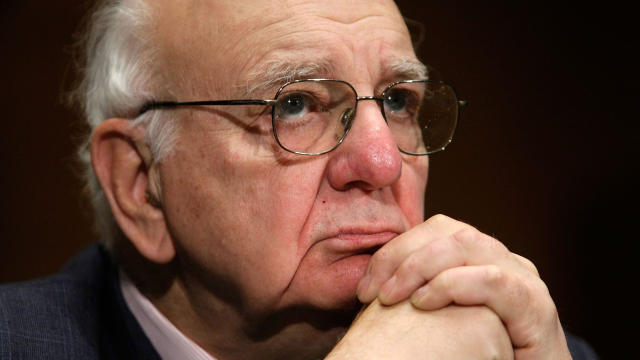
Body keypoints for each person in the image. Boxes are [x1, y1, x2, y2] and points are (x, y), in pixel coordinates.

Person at [0, 0, 598, 358]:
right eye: (295, 105)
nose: (383, 163)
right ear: (143, 185)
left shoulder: (536, 350)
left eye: (396, 102)